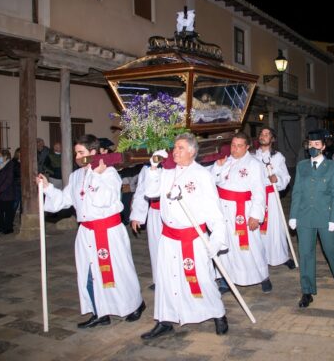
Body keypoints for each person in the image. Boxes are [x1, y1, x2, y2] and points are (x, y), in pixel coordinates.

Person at [37, 134, 145, 329]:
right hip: (86, 232)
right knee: (89, 273)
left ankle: (134, 304)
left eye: (81, 153)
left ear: (93, 153)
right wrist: (47, 188)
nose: (78, 157)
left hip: (108, 231)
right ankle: (99, 312)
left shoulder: (109, 173)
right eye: (76, 153)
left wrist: (97, 174)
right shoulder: (75, 176)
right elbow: (65, 200)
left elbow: (103, 200)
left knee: (118, 271)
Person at [140, 133, 229, 339]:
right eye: (175, 147)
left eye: (180, 148)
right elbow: (151, 192)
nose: (175, 151)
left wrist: (216, 240)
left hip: (193, 237)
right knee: (166, 280)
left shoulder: (202, 175)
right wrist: (153, 167)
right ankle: (164, 320)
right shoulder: (167, 173)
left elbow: (214, 209)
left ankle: (218, 313)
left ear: (192, 151)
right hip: (169, 237)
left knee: (202, 277)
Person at [289, 129, 334, 308]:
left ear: (323, 147)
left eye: (317, 144)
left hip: (326, 216)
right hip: (304, 216)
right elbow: (298, 192)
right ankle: (307, 291)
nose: (313, 147)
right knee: (306, 254)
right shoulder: (302, 166)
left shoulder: (332, 167)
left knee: (331, 250)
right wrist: (293, 215)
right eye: (311, 144)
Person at [211, 132, 270, 293]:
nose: (234, 149)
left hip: (243, 210)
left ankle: (263, 275)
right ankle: (225, 278)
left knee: (252, 245)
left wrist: (256, 215)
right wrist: (218, 167)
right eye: (233, 145)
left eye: (239, 146)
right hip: (223, 209)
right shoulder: (226, 161)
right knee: (225, 244)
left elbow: (259, 192)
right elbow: (212, 181)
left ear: (247, 147)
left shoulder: (254, 164)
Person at [252, 127, 294, 269]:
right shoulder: (251, 156)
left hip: (271, 197)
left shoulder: (278, 157)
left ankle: (279, 256)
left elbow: (286, 177)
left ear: (273, 139)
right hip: (255, 198)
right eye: (261, 134)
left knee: (274, 228)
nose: (263, 136)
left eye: (267, 134)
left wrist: (277, 179)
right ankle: (259, 258)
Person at [130, 154, 167, 290]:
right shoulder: (147, 168)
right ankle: (159, 280)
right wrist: (137, 215)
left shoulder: (173, 166)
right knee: (156, 246)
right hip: (155, 212)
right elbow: (141, 191)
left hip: (173, 213)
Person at [0, 149, 16, 234]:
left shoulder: (10, 165)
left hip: (7, 193)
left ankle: (8, 228)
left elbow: (9, 180)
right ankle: (1, 227)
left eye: (0, 156)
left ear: (5, 157)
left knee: (8, 212)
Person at [12, 148, 22, 216]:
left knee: (23, 203)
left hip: (23, 184)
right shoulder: (13, 162)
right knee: (16, 201)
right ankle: (11, 218)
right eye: (20, 153)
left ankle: (22, 218)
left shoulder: (25, 161)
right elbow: (15, 172)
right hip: (16, 184)